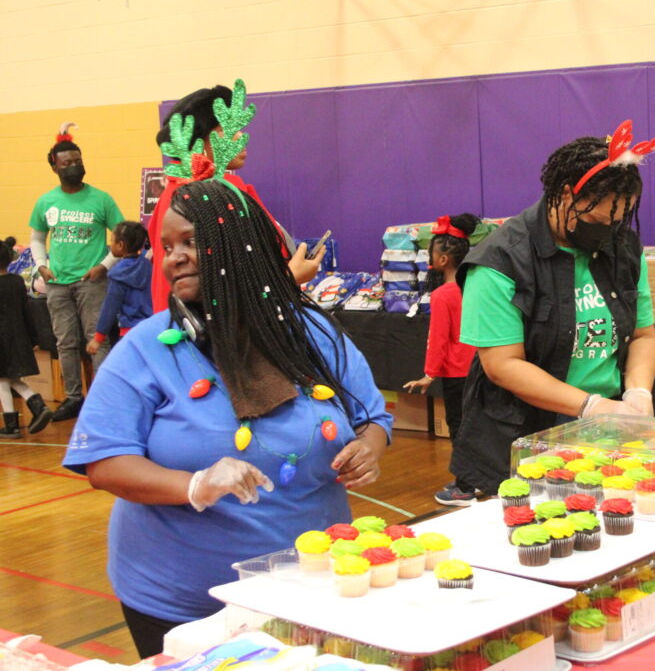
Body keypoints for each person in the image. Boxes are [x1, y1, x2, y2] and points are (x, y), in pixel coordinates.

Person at [63, 179, 392, 658]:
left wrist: (370, 447)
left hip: (313, 587)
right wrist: (193, 485)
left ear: (241, 246)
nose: (174, 256)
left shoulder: (316, 333)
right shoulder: (145, 349)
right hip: (185, 604)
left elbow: (372, 417)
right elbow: (105, 463)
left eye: (191, 242)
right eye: (167, 246)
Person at [451, 120, 655, 495]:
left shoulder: (623, 247)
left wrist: (638, 393)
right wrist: (589, 405)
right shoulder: (499, 261)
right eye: (597, 220)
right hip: (522, 439)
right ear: (567, 196)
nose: (607, 230)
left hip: (602, 438)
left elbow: (643, 334)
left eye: (617, 221)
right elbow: (503, 365)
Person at [148, 82, 323, 313]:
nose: (241, 138)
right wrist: (290, 277)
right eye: (227, 131)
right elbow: (228, 283)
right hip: (221, 332)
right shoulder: (218, 191)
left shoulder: (171, 193)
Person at [29, 124, 125, 422]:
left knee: (97, 339)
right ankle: (73, 398)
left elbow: (123, 238)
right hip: (57, 283)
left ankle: (105, 397)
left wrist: (103, 266)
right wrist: (41, 265)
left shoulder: (102, 199)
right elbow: (35, 238)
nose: (74, 167)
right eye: (67, 163)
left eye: (78, 161)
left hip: (92, 283)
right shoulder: (45, 202)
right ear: (55, 167)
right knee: (65, 343)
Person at [403, 213, 481, 506]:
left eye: (431, 252)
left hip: (456, 373)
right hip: (482, 368)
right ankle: (477, 479)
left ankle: (464, 488)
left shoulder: (443, 295)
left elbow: (438, 339)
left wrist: (430, 373)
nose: (428, 257)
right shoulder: (477, 287)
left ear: (444, 259)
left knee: (459, 428)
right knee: (478, 426)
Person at [0, 242, 54, 438]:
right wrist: (33, 338)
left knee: (3, 380)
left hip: (2, 340)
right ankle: (36, 406)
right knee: (10, 378)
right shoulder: (16, 282)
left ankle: (11, 424)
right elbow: (27, 312)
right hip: (18, 336)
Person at [86, 221, 153, 356]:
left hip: (129, 333)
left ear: (120, 245)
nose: (110, 245)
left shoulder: (118, 274)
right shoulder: (149, 267)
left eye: (112, 241)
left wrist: (98, 338)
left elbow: (110, 307)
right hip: (152, 330)